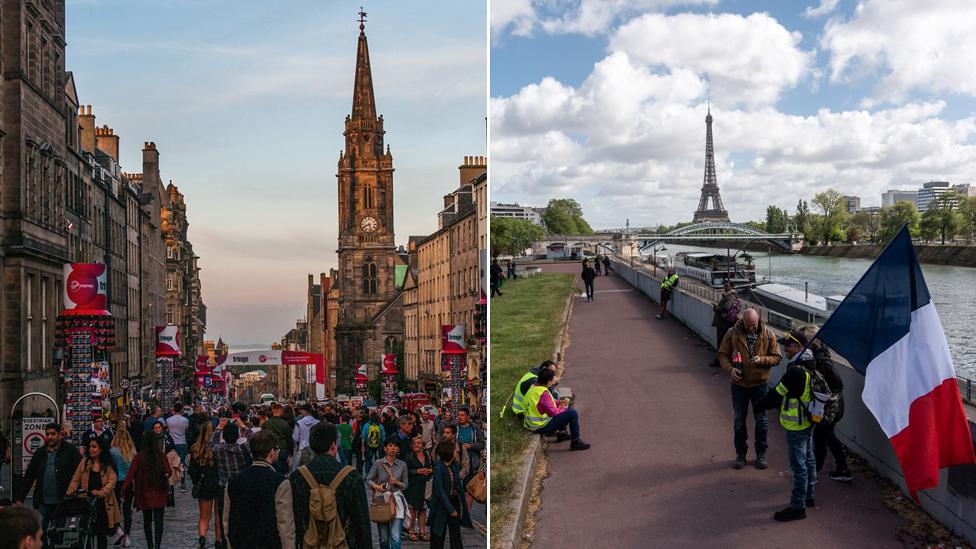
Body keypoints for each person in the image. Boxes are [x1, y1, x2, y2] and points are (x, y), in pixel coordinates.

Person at [275, 422, 371, 549]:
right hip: (344, 542)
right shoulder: (351, 476)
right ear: (333, 445)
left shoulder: (297, 477)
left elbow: (294, 519)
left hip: (309, 543)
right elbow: (362, 523)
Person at [757, 330, 818, 521]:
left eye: (789, 346)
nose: (785, 348)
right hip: (808, 421)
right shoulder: (810, 363)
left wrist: (760, 405)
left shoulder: (795, 371)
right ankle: (809, 495)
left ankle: (797, 507)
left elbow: (777, 394)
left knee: (797, 466)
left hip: (796, 425)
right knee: (808, 458)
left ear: (799, 347)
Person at [717, 307, 782, 469]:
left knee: (762, 421)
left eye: (753, 324)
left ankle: (761, 453)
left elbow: (777, 357)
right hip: (739, 385)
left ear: (758, 320)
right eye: (747, 324)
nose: (751, 327)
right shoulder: (732, 333)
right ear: (742, 321)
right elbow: (722, 354)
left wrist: (762, 360)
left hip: (760, 384)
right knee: (739, 420)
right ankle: (740, 454)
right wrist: (730, 369)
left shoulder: (769, 334)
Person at [799, 326, 852, 482]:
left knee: (820, 439)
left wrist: (825, 398)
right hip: (833, 409)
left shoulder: (821, 361)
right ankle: (843, 469)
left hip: (829, 409)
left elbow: (837, 384)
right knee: (829, 437)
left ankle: (813, 475)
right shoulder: (821, 356)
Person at [224, 431, 285, 549]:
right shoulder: (279, 482)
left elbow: (227, 521)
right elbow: (285, 524)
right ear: (272, 452)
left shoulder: (233, 482)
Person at [16, 422, 82, 531]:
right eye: (48, 434)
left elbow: (81, 471)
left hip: (63, 501)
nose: (50, 437)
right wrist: (20, 499)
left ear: (60, 435)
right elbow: (29, 476)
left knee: (59, 533)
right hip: (43, 501)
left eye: (53, 434)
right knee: (40, 531)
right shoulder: (40, 453)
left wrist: (76, 490)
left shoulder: (70, 451)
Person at [121, 428, 172, 549]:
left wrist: (123, 490)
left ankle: (150, 545)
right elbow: (169, 472)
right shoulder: (161, 456)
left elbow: (130, 475)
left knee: (147, 521)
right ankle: (157, 545)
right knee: (159, 521)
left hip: (144, 492)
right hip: (159, 491)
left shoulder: (139, 457)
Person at [67, 438, 121, 549]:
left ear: (101, 449)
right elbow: (76, 479)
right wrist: (71, 490)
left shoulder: (107, 464)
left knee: (101, 534)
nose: (91, 449)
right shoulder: (84, 462)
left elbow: (112, 482)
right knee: (86, 532)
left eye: (94, 447)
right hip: (87, 502)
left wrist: (101, 492)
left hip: (103, 504)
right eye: (90, 447)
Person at [523, 368, 591, 450]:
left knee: (568, 409)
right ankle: (575, 442)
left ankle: (562, 434)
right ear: (548, 381)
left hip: (530, 424)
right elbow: (553, 413)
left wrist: (560, 402)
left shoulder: (534, 388)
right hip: (540, 426)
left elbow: (546, 403)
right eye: (553, 378)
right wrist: (563, 406)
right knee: (572, 413)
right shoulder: (543, 393)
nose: (554, 380)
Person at [211, 417, 253, 549]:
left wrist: (219, 428)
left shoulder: (219, 449)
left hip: (224, 488)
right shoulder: (242, 449)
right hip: (240, 488)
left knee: (225, 518)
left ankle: (225, 542)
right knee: (241, 517)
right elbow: (252, 439)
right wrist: (243, 426)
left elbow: (211, 443)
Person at [428, 440, 471, 549]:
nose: (456, 452)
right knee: (438, 534)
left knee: (456, 535)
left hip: (454, 501)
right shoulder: (438, 468)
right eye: (454, 450)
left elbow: (457, 484)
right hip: (441, 505)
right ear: (449, 452)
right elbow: (440, 491)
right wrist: (450, 509)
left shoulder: (455, 465)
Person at [366, 438, 409, 549]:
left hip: (397, 500)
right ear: (385, 449)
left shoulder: (402, 465)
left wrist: (397, 482)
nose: (393, 448)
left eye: (395, 446)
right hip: (382, 501)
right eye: (390, 446)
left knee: (395, 537)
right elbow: (368, 479)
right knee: (384, 538)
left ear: (398, 449)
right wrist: (377, 487)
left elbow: (405, 485)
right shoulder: (378, 463)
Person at [189, 420, 222, 549]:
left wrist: (196, 480)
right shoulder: (218, 448)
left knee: (204, 516)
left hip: (204, 485)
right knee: (218, 516)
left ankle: (202, 537)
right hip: (218, 483)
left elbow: (192, 470)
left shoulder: (196, 449)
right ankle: (218, 540)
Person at [109, 422, 137, 547]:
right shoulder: (132, 452)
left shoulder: (112, 451)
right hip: (129, 483)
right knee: (127, 510)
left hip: (116, 483)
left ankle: (119, 531)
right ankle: (127, 535)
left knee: (115, 510)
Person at [454, 408, 484, 509]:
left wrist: (471, 446)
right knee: (456, 488)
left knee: (469, 489)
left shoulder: (474, 428)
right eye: (458, 415)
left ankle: (467, 515)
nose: (460, 417)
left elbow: (482, 443)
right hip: (457, 462)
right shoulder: (454, 427)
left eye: (462, 415)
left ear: (468, 417)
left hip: (471, 462)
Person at [404, 436, 432, 542]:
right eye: (415, 443)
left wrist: (429, 471)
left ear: (423, 445)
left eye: (419, 443)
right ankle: (411, 531)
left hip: (425, 485)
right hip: (413, 485)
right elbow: (406, 470)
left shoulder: (427, 455)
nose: (417, 445)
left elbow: (431, 467)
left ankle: (422, 531)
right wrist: (417, 471)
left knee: (423, 508)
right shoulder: (409, 456)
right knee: (413, 509)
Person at [710, 281, 740, 368]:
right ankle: (724, 361)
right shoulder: (729, 296)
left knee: (721, 343)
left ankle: (719, 361)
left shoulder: (730, 296)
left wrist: (717, 308)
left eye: (727, 285)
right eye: (724, 285)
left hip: (723, 324)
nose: (725, 287)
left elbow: (726, 307)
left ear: (731, 287)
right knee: (725, 343)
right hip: (725, 323)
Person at [166, 401, 190, 493]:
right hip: (182, 443)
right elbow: (186, 430)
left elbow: (167, 430)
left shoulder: (168, 420)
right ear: (181, 410)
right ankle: (182, 483)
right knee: (182, 463)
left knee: (171, 463)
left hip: (172, 444)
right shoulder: (185, 420)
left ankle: (170, 483)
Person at [262, 403, 293, 474]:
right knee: (282, 472)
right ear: (280, 411)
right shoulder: (285, 423)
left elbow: (263, 437)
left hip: (270, 450)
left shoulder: (266, 424)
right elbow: (289, 439)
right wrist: (291, 452)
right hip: (283, 449)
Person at [292, 405, 320, 471]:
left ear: (305, 411)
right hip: (315, 450)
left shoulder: (299, 423)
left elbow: (295, 438)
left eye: (302, 410)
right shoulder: (317, 422)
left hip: (302, 450)